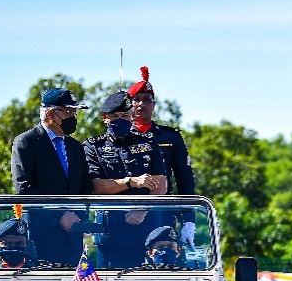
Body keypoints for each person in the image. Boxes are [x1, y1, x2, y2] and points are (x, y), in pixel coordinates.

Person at [85, 91, 167, 268]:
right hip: (111, 230)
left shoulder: (148, 142)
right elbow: (96, 187)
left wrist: (142, 209)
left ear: (132, 116)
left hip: (148, 228)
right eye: (114, 116)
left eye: (124, 115)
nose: (120, 119)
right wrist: (131, 182)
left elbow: (161, 183)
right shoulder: (93, 146)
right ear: (104, 118)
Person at [10, 88, 91, 266]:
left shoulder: (75, 146)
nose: (73, 117)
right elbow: (24, 189)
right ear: (50, 114)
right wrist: (59, 215)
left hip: (73, 237)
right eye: (68, 112)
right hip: (41, 235)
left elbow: (85, 185)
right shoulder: (26, 142)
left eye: (74, 112)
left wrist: (80, 219)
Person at [127, 66, 197, 249]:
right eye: (136, 100)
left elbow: (185, 180)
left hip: (161, 216)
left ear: (154, 104)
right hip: (124, 215)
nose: (141, 104)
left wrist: (189, 220)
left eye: (147, 100)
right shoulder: (118, 138)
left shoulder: (170, 137)